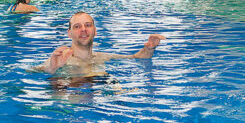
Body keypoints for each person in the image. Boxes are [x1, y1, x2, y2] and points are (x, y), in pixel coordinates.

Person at [38, 12, 166, 76]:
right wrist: (52, 68)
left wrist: (149, 48)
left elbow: (135, 58)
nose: (83, 29)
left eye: (88, 25)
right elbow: (34, 70)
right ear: (69, 33)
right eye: (77, 26)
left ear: (95, 31)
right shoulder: (60, 59)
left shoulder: (101, 57)